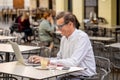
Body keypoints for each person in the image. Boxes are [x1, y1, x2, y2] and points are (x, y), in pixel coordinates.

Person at [28, 11, 96, 80]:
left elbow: (73, 62)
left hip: (84, 76)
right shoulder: (64, 38)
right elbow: (59, 59)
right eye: (57, 26)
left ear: (70, 24)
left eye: (60, 26)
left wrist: (48, 61)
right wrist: (43, 59)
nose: (58, 29)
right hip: (69, 74)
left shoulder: (81, 37)